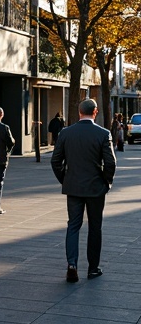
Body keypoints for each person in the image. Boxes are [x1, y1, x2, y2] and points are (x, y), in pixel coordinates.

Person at [51, 97, 115, 282]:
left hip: (73, 187)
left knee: (73, 226)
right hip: (95, 188)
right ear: (95, 112)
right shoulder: (103, 134)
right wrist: (106, 182)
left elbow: (56, 161)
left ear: (79, 112)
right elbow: (110, 162)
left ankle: (72, 264)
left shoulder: (65, 133)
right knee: (95, 227)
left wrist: (65, 179)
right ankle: (93, 268)